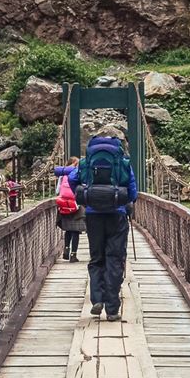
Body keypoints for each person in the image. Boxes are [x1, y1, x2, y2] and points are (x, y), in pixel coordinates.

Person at [68, 131, 137, 321]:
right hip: (117, 214)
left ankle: (97, 299)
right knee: (114, 259)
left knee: (97, 258)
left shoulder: (86, 163)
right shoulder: (122, 163)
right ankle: (112, 309)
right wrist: (125, 201)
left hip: (93, 215)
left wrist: (85, 196)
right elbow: (132, 191)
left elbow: (72, 179)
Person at [55, 158, 84, 262]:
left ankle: (66, 250)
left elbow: (57, 191)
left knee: (68, 229)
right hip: (76, 206)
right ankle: (73, 255)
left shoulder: (62, 175)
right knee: (76, 230)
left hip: (64, 205)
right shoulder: (78, 174)